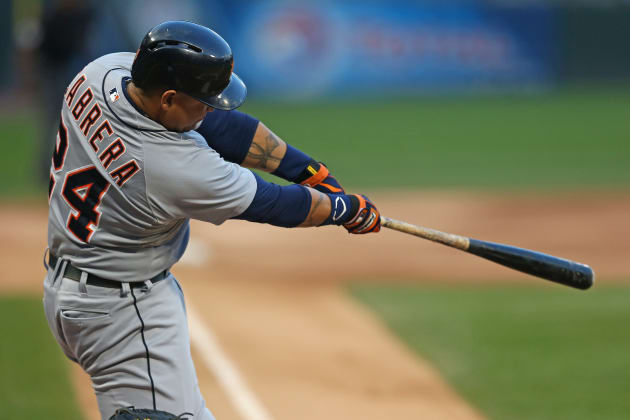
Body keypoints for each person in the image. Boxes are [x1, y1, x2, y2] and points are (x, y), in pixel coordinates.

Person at [42, 21, 380, 420]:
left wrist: (309, 170)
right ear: (168, 99)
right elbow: (273, 204)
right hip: (122, 313)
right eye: (202, 100)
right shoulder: (175, 167)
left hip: (69, 289)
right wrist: (345, 209)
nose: (208, 109)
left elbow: (218, 126)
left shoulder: (99, 75)